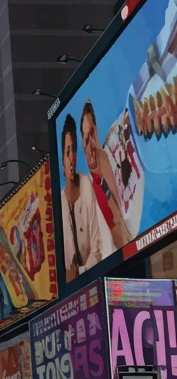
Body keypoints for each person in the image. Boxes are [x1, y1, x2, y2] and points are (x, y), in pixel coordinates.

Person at [60, 112, 113, 281]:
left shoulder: (86, 184)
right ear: (62, 157)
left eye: (74, 150)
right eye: (67, 151)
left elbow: (97, 248)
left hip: (97, 277)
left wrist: (78, 273)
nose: (72, 158)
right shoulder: (59, 202)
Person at [80, 99, 130, 250]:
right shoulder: (86, 188)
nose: (90, 146)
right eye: (85, 138)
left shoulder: (108, 160)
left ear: (97, 133)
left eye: (92, 134)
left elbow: (122, 225)